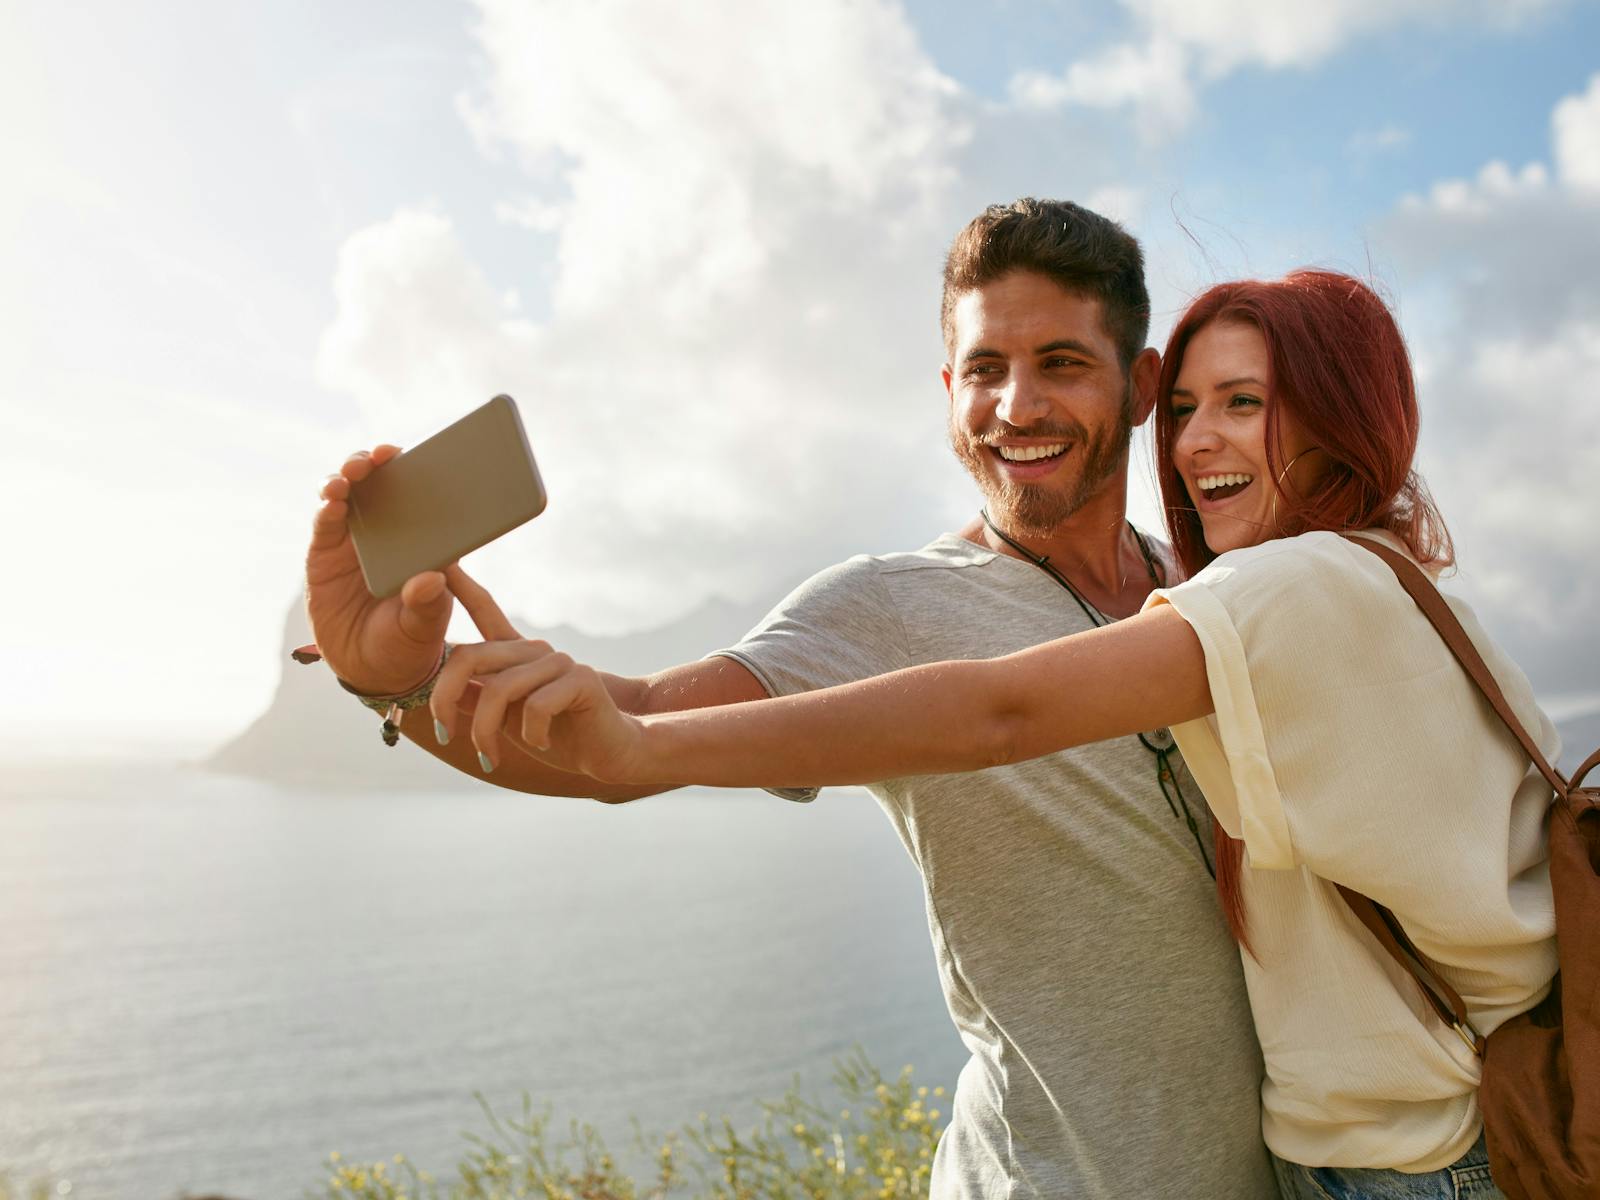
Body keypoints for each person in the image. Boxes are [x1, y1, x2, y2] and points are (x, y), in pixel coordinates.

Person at [446, 268, 1561, 1199]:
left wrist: (634, 749)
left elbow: (998, 709)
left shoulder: (1283, 587)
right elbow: (644, 704)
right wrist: (411, 688)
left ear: (1339, 416)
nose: (1196, 442)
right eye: (1189, 409)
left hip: (1411, 1161)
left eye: (1247, 403)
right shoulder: (1388, 581)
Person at [306, 199, 1278, 1198]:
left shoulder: (1207, 591)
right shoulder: (888, 608)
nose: (1015, 407)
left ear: (1140, 385)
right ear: (949, 388)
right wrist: (392, 678)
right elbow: (635, 725)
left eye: (1063, 364)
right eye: (984, 369)